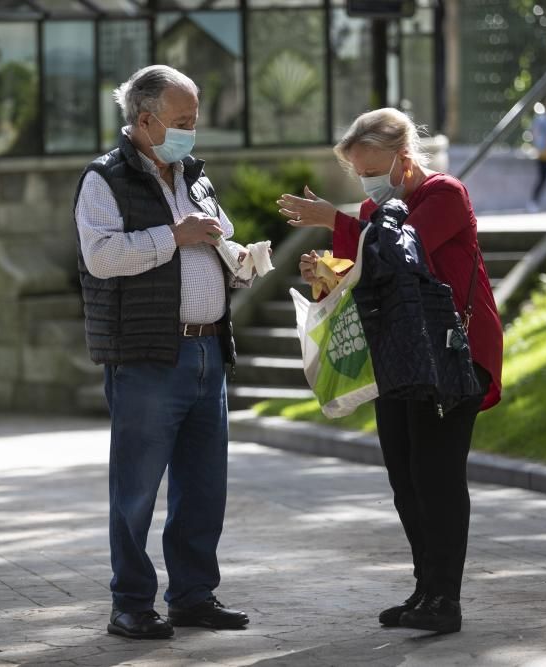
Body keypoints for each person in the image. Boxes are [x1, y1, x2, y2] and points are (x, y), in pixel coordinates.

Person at [277, 108, 503, 634]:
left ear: (403, 160)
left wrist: (334, 221)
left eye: (373, 169)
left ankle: (446, 599)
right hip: (401, 355)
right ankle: (426, 590)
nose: (367, 182)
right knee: (405, 478)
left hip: (451, 353)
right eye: (358, 171)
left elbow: (400, 254)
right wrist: (324, 273)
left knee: (436, 476)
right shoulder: (372, 210)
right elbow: (360, 276)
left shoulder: (444, 194)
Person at [73, 65, 250, 640]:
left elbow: (219, 242)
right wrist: (173, 237)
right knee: (137, 490)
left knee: (204, 488)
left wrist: (246, 265)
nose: (191, 132)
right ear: (144, 121)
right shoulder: (105, 179)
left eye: (195, 120)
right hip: (149, 355)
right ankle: (131, 605)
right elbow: (101, 258)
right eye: (181, 122)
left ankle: (194, 597)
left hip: (207, 353)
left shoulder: (195, 177)